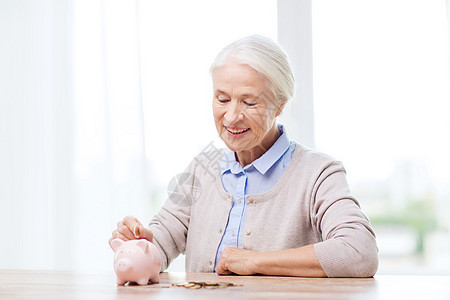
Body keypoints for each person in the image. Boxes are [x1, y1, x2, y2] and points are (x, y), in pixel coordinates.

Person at [110, 35, 378, 278]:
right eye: (222, 99)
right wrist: (140, 243)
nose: (232, 116)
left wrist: (256, 262)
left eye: (249, 102)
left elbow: (359, 251)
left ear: (280, 104)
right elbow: (161, 241)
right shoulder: (200, 170)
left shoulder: (318, 173)